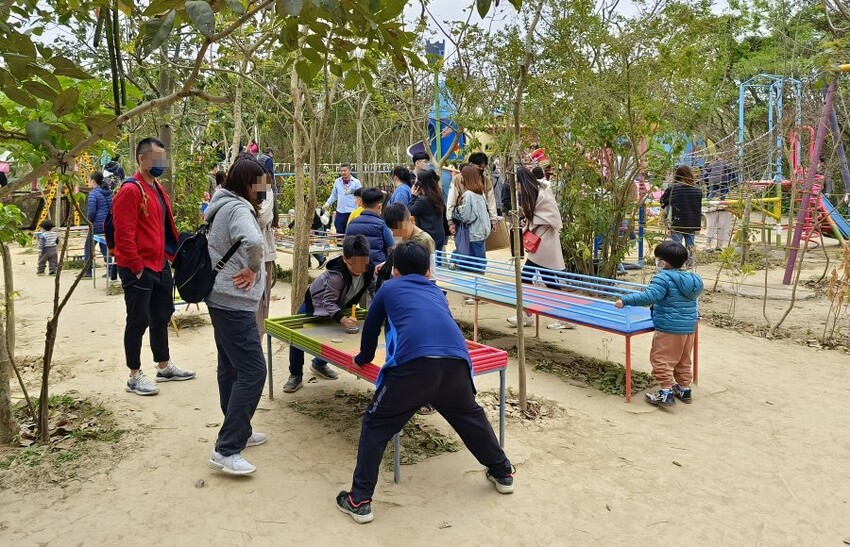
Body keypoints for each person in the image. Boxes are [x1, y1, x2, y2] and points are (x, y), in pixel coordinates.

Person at [335, 242, 514, 524]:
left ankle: (359, 499)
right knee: (470, 417)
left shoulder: (389, 288)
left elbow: (371, 327)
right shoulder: (435, 290)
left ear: (394, 271)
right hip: (456, 363)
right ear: (428, 270)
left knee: (376, 424)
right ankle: (503, 471)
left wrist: (363, 357)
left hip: (413, 367)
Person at [113, 137, 195, 396]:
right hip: (139, 267)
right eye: (156, 158)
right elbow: (123, 235)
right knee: (138, 320)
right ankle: (134, 375)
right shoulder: (130, 190)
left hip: (160, 264)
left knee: (161, 316)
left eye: (163, 158)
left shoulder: (158, 189)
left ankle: (163, 365)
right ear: (142, 159)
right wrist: (137, 267)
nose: (162, 163)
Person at [204, 158, 269, 475]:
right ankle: (226, 448)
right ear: (248, 182)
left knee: (229, 367)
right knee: (254, 371)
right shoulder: (239, 209)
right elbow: (255, 241)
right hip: (233, 302)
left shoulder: (222, 204)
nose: (264, 189)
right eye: (261, 183)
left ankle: (238, 429)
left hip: (220, 298)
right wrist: (254, 269)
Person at [283, 235, 376, 394]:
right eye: (357, 264)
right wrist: (343, 319)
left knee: (333, 336)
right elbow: (327, 302)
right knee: (297, 338)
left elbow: (373, 289)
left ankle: (319, 364)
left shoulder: (368, 267)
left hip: (339, 304)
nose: (362, 268)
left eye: (365, 262)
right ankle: (295, 375)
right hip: (314, 304)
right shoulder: (336, 275)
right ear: (346, 259)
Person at [615, 241, 703, 406]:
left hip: (669, 327)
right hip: (689, 326)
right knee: (683, 358)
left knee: (662, 358)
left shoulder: (663, 278)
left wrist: (625, 300)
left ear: (662, 262)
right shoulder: (692, 278)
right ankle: (684, 389)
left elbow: (649, 297)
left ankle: (665, 392)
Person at [506, 167, 573, 330]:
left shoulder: (543, 195)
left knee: (534, 279)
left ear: (524, 183)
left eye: (518, 185)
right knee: (544, 281)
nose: (518, 189)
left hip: (545, 244)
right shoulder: (535, 194)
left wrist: (531, 219)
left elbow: (555, 220)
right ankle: (532, 314)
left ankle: (556, 316)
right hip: (541, 245)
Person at [450, 165, 491, 273]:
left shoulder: (468, 195)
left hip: (473, 233)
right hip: (481, 231)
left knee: (471, 263)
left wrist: (458, 210)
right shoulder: (480, 192)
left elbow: (467, 217)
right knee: (480, 259)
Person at [660, 165, 703, 267]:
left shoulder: (672, 189)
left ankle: (678, 265)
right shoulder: (697, 190)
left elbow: (662, 202)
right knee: (690, 246)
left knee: (677, 246)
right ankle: (690, 265)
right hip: (692, 223)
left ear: (677, 175)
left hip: (677, 222)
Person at [446, 152, 497, 227]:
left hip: (481, 222)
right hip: (462, 222)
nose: (481, 169)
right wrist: (450, 221)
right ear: (471, 164)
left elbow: (491, 201)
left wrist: (493, 220)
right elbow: (451, 201)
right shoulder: (458, 180)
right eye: (479, 166)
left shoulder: (486, 181)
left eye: (483, 167)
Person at [345, 187, 394, 264]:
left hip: (357, 268)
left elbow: (347, 247)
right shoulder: (382, 225)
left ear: (362, 204)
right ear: (379, 206)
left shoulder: (352, 224)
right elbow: (391, 248)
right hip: (377, 269)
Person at [256, 170, 278, 342]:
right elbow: (262, 217)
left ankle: (258, 343)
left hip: (264, 252)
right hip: (250, 254)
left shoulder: (265, 187)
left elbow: (262, 217)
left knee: (262, 305)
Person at [408, 169, 448, 253]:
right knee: (437, 263)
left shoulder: (423, 200)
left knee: (429, 263)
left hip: (428, 238)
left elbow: (409, 212)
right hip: (439, 236)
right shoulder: (438, 195)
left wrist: (413, 196)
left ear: (420, 183)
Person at [82, 171, 113, 278]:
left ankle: (88, 272)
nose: (88, 182)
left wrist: (89, 222)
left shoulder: (93, 193)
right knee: (104, 246)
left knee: (88, 247)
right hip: (107, 224)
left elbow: (91, 211)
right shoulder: (108, 192)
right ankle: (110, 270)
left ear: (93, 181)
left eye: (89, 180)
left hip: (96, 224)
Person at [324, 163, 362, 234]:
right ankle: (340, 245)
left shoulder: (356, 182)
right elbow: (334, 195)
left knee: (352, 232)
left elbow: (360, 196)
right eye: (341, 171)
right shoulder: (337, 182)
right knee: (339, 232)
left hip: (352, 211)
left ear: (350, 170)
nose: (343, 173)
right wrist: (327, 204)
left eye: (345, 170)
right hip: (340, 212)